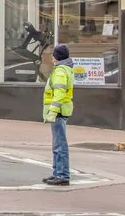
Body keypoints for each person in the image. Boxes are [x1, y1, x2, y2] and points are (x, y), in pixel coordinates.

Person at [43, 43, 74, 186]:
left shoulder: (61, 71)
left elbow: (59, 94)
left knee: (60, 145)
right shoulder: (62, 69)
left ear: (56, 56)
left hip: (58, 112)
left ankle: (62, 175)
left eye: (53, 54)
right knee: (57, 144)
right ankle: (57, 173)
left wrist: (52, 111)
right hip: (60, 112)